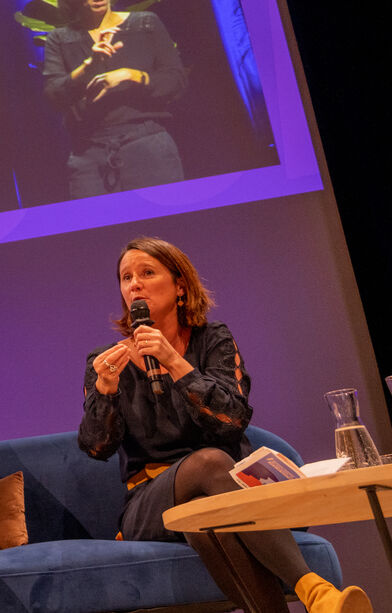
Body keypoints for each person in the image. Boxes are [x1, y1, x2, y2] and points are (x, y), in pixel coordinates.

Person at [79, 238, 370, 613]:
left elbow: (231, 421)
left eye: (147, 273)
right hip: (151, 502)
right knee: (210, 462)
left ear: (180, 285)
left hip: (226, 490)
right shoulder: (106, 362)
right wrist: (105, 388)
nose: (134, 284)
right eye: (126, 277)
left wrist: (175, 363)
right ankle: (315, 591)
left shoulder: (213, 340)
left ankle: (316, 601)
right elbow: (96, 447)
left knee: (209, 519)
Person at [41, 0, 186, 198]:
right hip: (90, 155)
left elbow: (176, 81)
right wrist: (89, 65)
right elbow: (54, 95)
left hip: (147, 145)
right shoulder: (60, 39)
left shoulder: (145, 24)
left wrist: (129, 75)